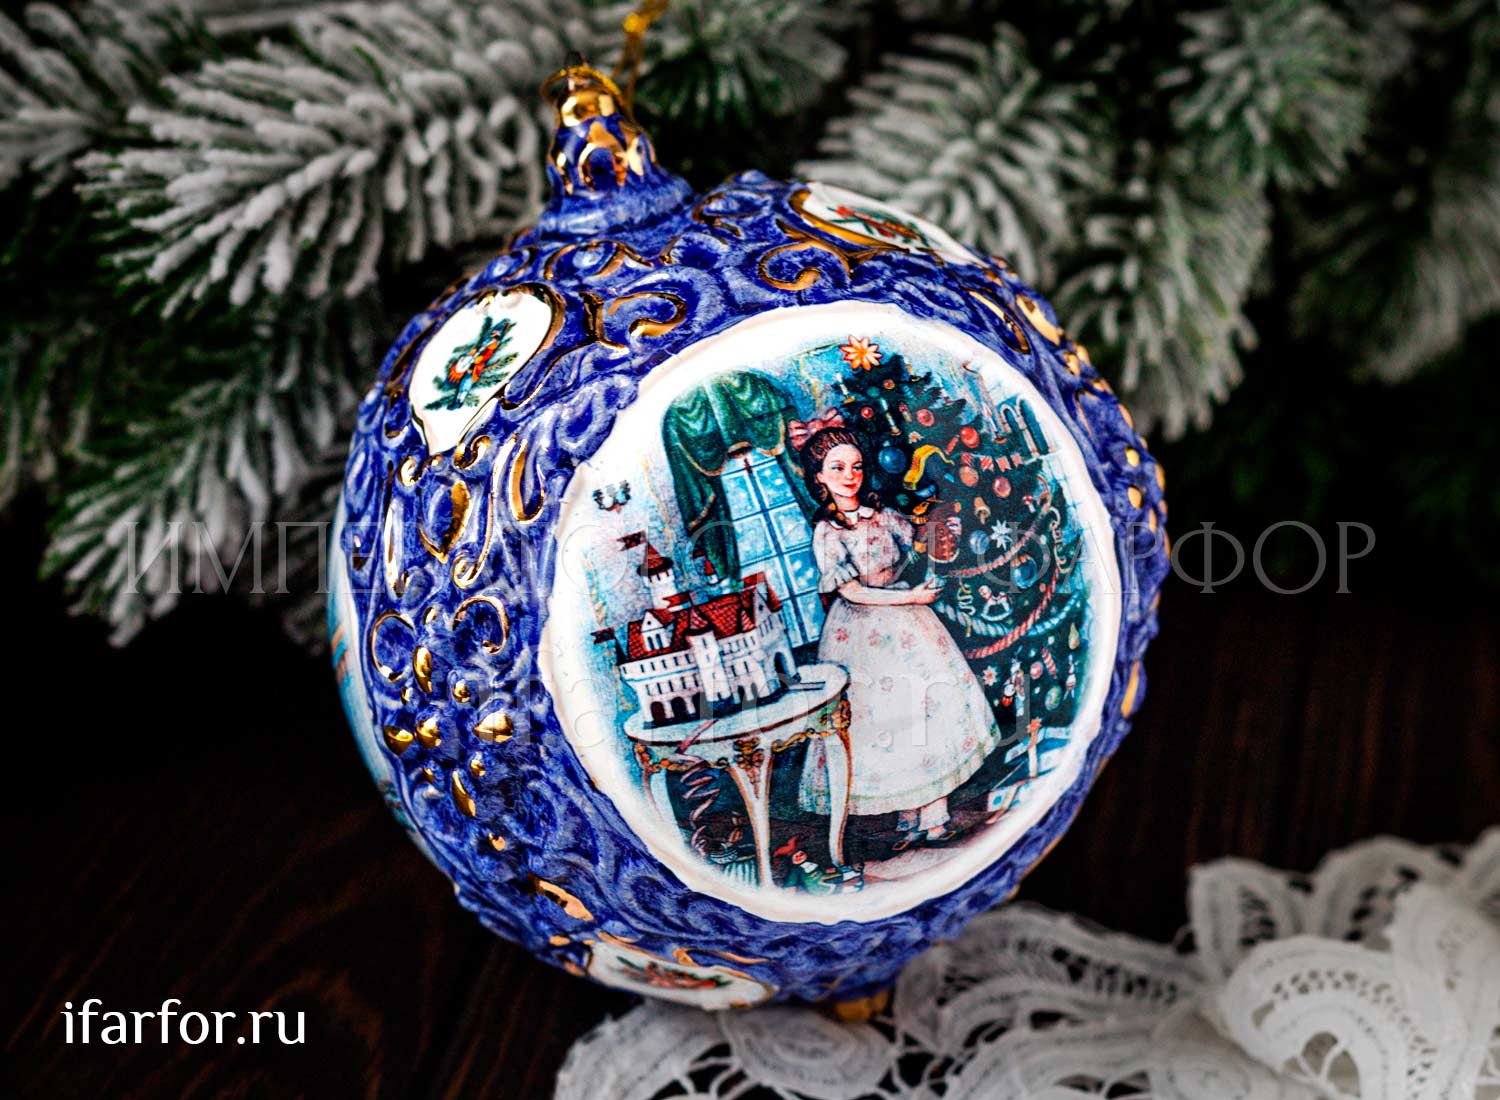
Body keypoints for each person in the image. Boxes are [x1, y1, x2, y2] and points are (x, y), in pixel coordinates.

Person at [792, 416, 1000, 848]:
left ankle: (934, 816)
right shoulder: (827, 531)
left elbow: (916, 543)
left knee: (928, 706)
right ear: (819, 478)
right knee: (886, 718)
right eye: (837, 468)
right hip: (861, 632)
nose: (849, 476)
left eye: (855, 467)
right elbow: (851, 591)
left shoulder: (882, 514)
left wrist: (936, 528)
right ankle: (908, 817)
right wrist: (911, 599)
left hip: (907, 618)